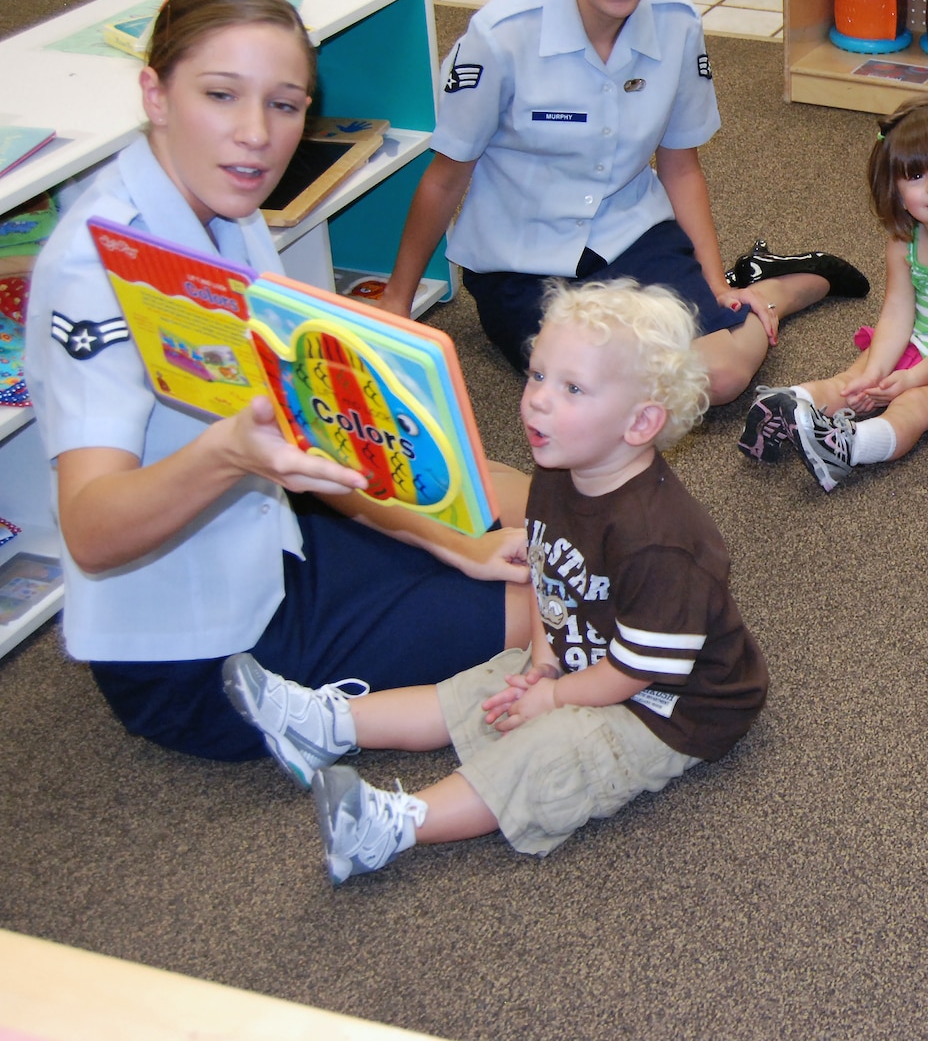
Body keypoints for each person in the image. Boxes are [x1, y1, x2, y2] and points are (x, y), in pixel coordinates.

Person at [22, 0, 534, 761]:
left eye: (285, 104)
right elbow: (89, 531)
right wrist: (229, 452)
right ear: (155, 94)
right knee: (561, 603)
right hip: (201, 651)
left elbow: (316, 438)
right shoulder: (95, 267)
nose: (257, 134)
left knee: (541, 513)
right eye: (221, 95)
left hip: (276, 536)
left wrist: (453, 542)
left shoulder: (228, 205)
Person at [222, 280, 767, 881]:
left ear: (640, 423)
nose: (537, 400)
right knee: (481, 687)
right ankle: (326, 725)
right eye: (537, 376)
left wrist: (555, 697)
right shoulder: (561, 473)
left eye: (572, 388)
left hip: (674, 705)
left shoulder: (662, 542)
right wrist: (540, 662)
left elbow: (639, 669)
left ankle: (393, 825)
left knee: (549, 753)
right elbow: (547, 575)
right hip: (593, 655)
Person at [374, 0, 866, 398]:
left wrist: (711, 285)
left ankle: (770, 289)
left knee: (722, 375)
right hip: (522, 260)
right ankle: (761, 293)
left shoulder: (678, 23)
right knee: (594, 388)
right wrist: (397, 302)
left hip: (631, 234)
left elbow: (680, 166)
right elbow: (446, 177)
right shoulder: (500, 36)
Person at [736, 96, 928, 491]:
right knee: (854, 379)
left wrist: (911, 378)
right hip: (924, 343)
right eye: (915, 177)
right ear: (894, 191)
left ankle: (849, 448)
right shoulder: (903, 242)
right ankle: (787, 406)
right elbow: (897, 314)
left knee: (914, 405)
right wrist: (877, 373)